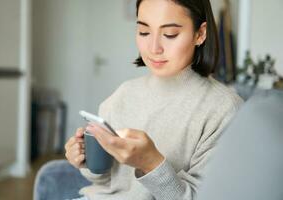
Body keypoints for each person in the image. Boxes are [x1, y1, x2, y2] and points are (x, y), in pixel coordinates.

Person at [63, 0, 243, 199]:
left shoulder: (224, 109)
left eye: (170, 34)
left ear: (200, 34)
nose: (153, 48)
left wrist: (151, 163)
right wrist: (87, 160)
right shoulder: (123, 94)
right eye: (144, 32)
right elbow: (107, 182)